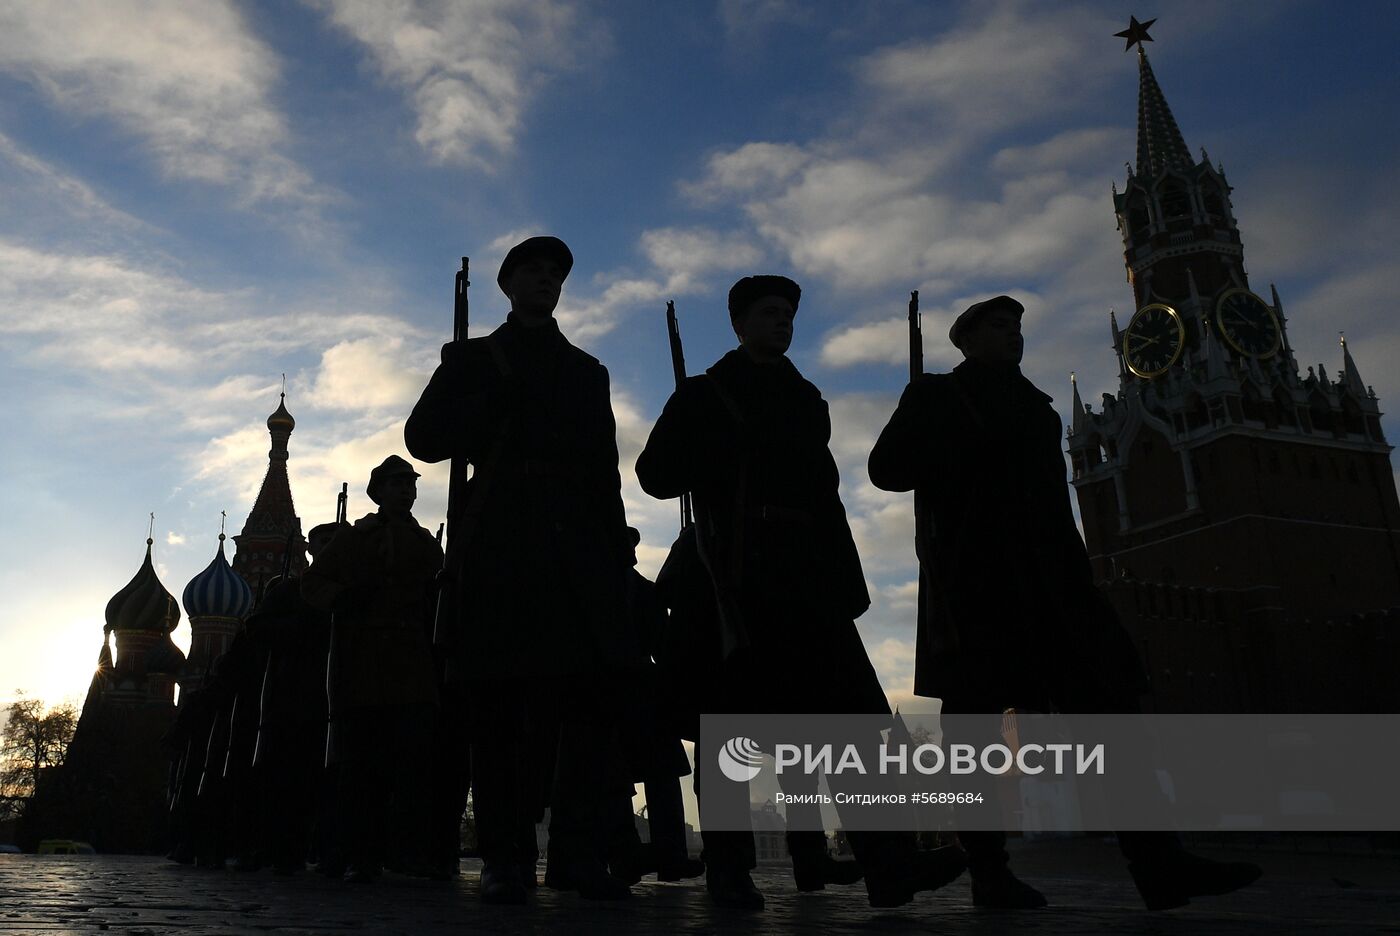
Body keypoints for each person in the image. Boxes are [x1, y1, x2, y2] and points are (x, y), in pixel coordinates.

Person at [867, 294, 1261, 910]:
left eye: (1017, 326)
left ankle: (1159, 864)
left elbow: (1052, 502)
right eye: (1000, 327)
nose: (1014, 335)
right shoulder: (937, 396)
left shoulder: (1037, 408)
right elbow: (886, 470)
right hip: (979, 584)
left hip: (1055, 583)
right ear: (966, 340)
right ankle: (990, 874)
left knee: (1112, 713)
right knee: (973, 735)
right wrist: (945, 444)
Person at [636, 274, 965, 910]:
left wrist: (845, 583)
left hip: (807, 577)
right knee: (727, 728)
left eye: (788, 312)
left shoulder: (807, 399)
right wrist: (704, 444)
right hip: (732, 574)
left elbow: (826, 495)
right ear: (740, 323)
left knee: (851, 726)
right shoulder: (704, 395)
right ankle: (728, 870)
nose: (782, 321)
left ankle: (889, 865)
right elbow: (655, 476)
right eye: (769, 312)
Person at [405, 236, 639, 903]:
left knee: (581, 705)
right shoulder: (476, 359)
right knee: (497, 706)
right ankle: (506, 855)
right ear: (508, 285)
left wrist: (614, 555)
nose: (547, 279)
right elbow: (423, 439)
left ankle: (574, 854)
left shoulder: (587, 370)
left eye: (555, 273)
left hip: (576, 549)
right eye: (533, 270)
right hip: (501, 540)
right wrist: (480, 398)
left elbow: (604, 468)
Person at [301, 455, 443, 883]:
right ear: (378, 492)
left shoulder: (425, 544)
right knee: (362, 764)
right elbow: (313, 583)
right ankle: (357, 852)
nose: (407, 491)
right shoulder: (355, 538)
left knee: (413, 762)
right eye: (397, 484)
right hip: (365, 663)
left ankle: (405, 851)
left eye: (410, 485)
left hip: (412, 662)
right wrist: (344, 598)